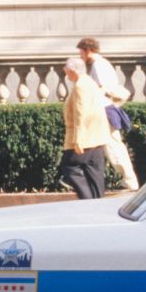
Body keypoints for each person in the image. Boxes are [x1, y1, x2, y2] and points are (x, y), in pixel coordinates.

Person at [75, 37, 139, 191]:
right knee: (100, 146)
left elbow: (103, 88)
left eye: (81, 52)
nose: (80, 56)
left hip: (103, 110)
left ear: (88, 50)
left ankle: (130, 182)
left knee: (113, 147)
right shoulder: (101, 64)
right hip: (103, 109)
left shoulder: (98, 65)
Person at [59, 57, 111, 200]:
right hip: (96, 137)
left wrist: (78, 140)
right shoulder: (89, 82)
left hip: (85, 138)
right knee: (94, 174)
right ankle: (97, 203)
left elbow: (80, 114)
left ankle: (87, 200)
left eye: (66, 68)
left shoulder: (80, 86)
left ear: (72, 70)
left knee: (70, 167)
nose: (65, 71)